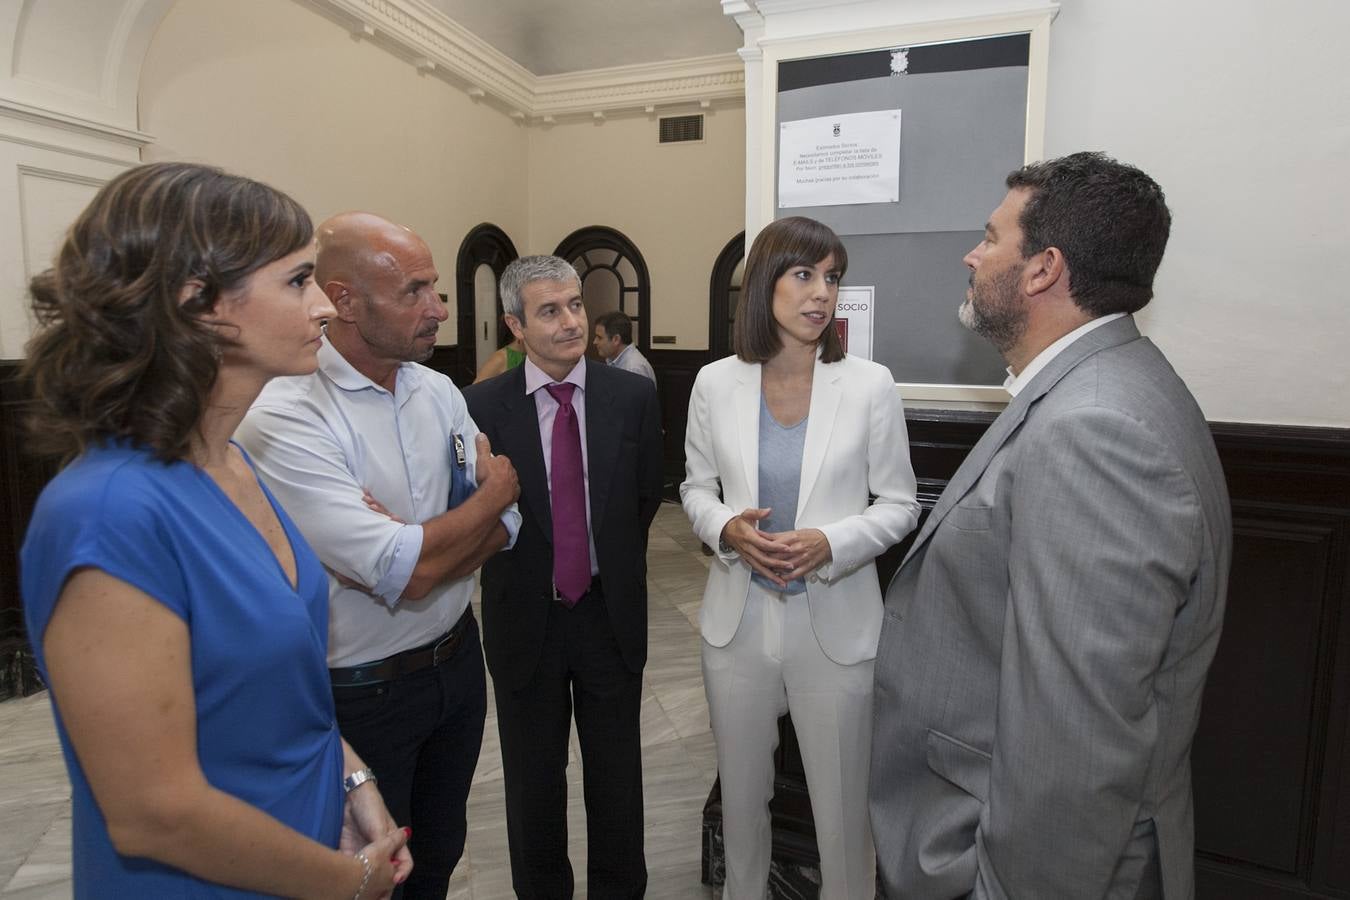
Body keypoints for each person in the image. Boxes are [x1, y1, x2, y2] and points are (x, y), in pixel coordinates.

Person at [19, 162, 410, 898]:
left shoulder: (231, 463)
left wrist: (350, 778)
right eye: (298, 281)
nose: (325, 306)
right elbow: (155, 814)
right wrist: (348, 883)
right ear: (198, 303)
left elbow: (275, 691)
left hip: (302, 847)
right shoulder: (108, 512)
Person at [869, 152, 1233, 899]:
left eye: (991, 237)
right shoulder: (1113, 384)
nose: (972, 255)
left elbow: (1074, 748)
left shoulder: (1094, 428)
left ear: (1042, 270)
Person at [235, 212, 520, 900]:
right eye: (416, 291)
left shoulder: (439, 390)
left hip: (457, 664)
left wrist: (432, 538)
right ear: (346, 300)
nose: (439, 308)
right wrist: (488, 499)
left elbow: (502, 531)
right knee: (371, 879)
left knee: (438, 856)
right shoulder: (287, 411)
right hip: (363, 695)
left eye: (434, 288)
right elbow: (419, 561)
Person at [680, 216, 920, 899]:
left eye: (833, 277)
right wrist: (727, 528)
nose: (822, 293)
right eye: (804, 274)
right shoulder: (714, 383)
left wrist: (829, 542)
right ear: (765, 283)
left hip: (837, 626)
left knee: (843, 816)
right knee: (744, 808)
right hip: (737, 624)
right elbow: (694, 489)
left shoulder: (869, 385)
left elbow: (900, 504)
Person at [463, 255, 663, 899]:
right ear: (515, 325)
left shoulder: (630, 396)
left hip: (608, 616)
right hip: (528, 619)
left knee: (617, 780)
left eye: (575, 305)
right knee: (532, 784)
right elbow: (474, 514)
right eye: (550, 311)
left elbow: (642, 500)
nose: (572, 321)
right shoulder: (480, 407)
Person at [593, 310, 656, 384]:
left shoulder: (633, 369)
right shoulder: (614, 361)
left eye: (599, 338)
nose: (594, 342)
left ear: (616, 339)